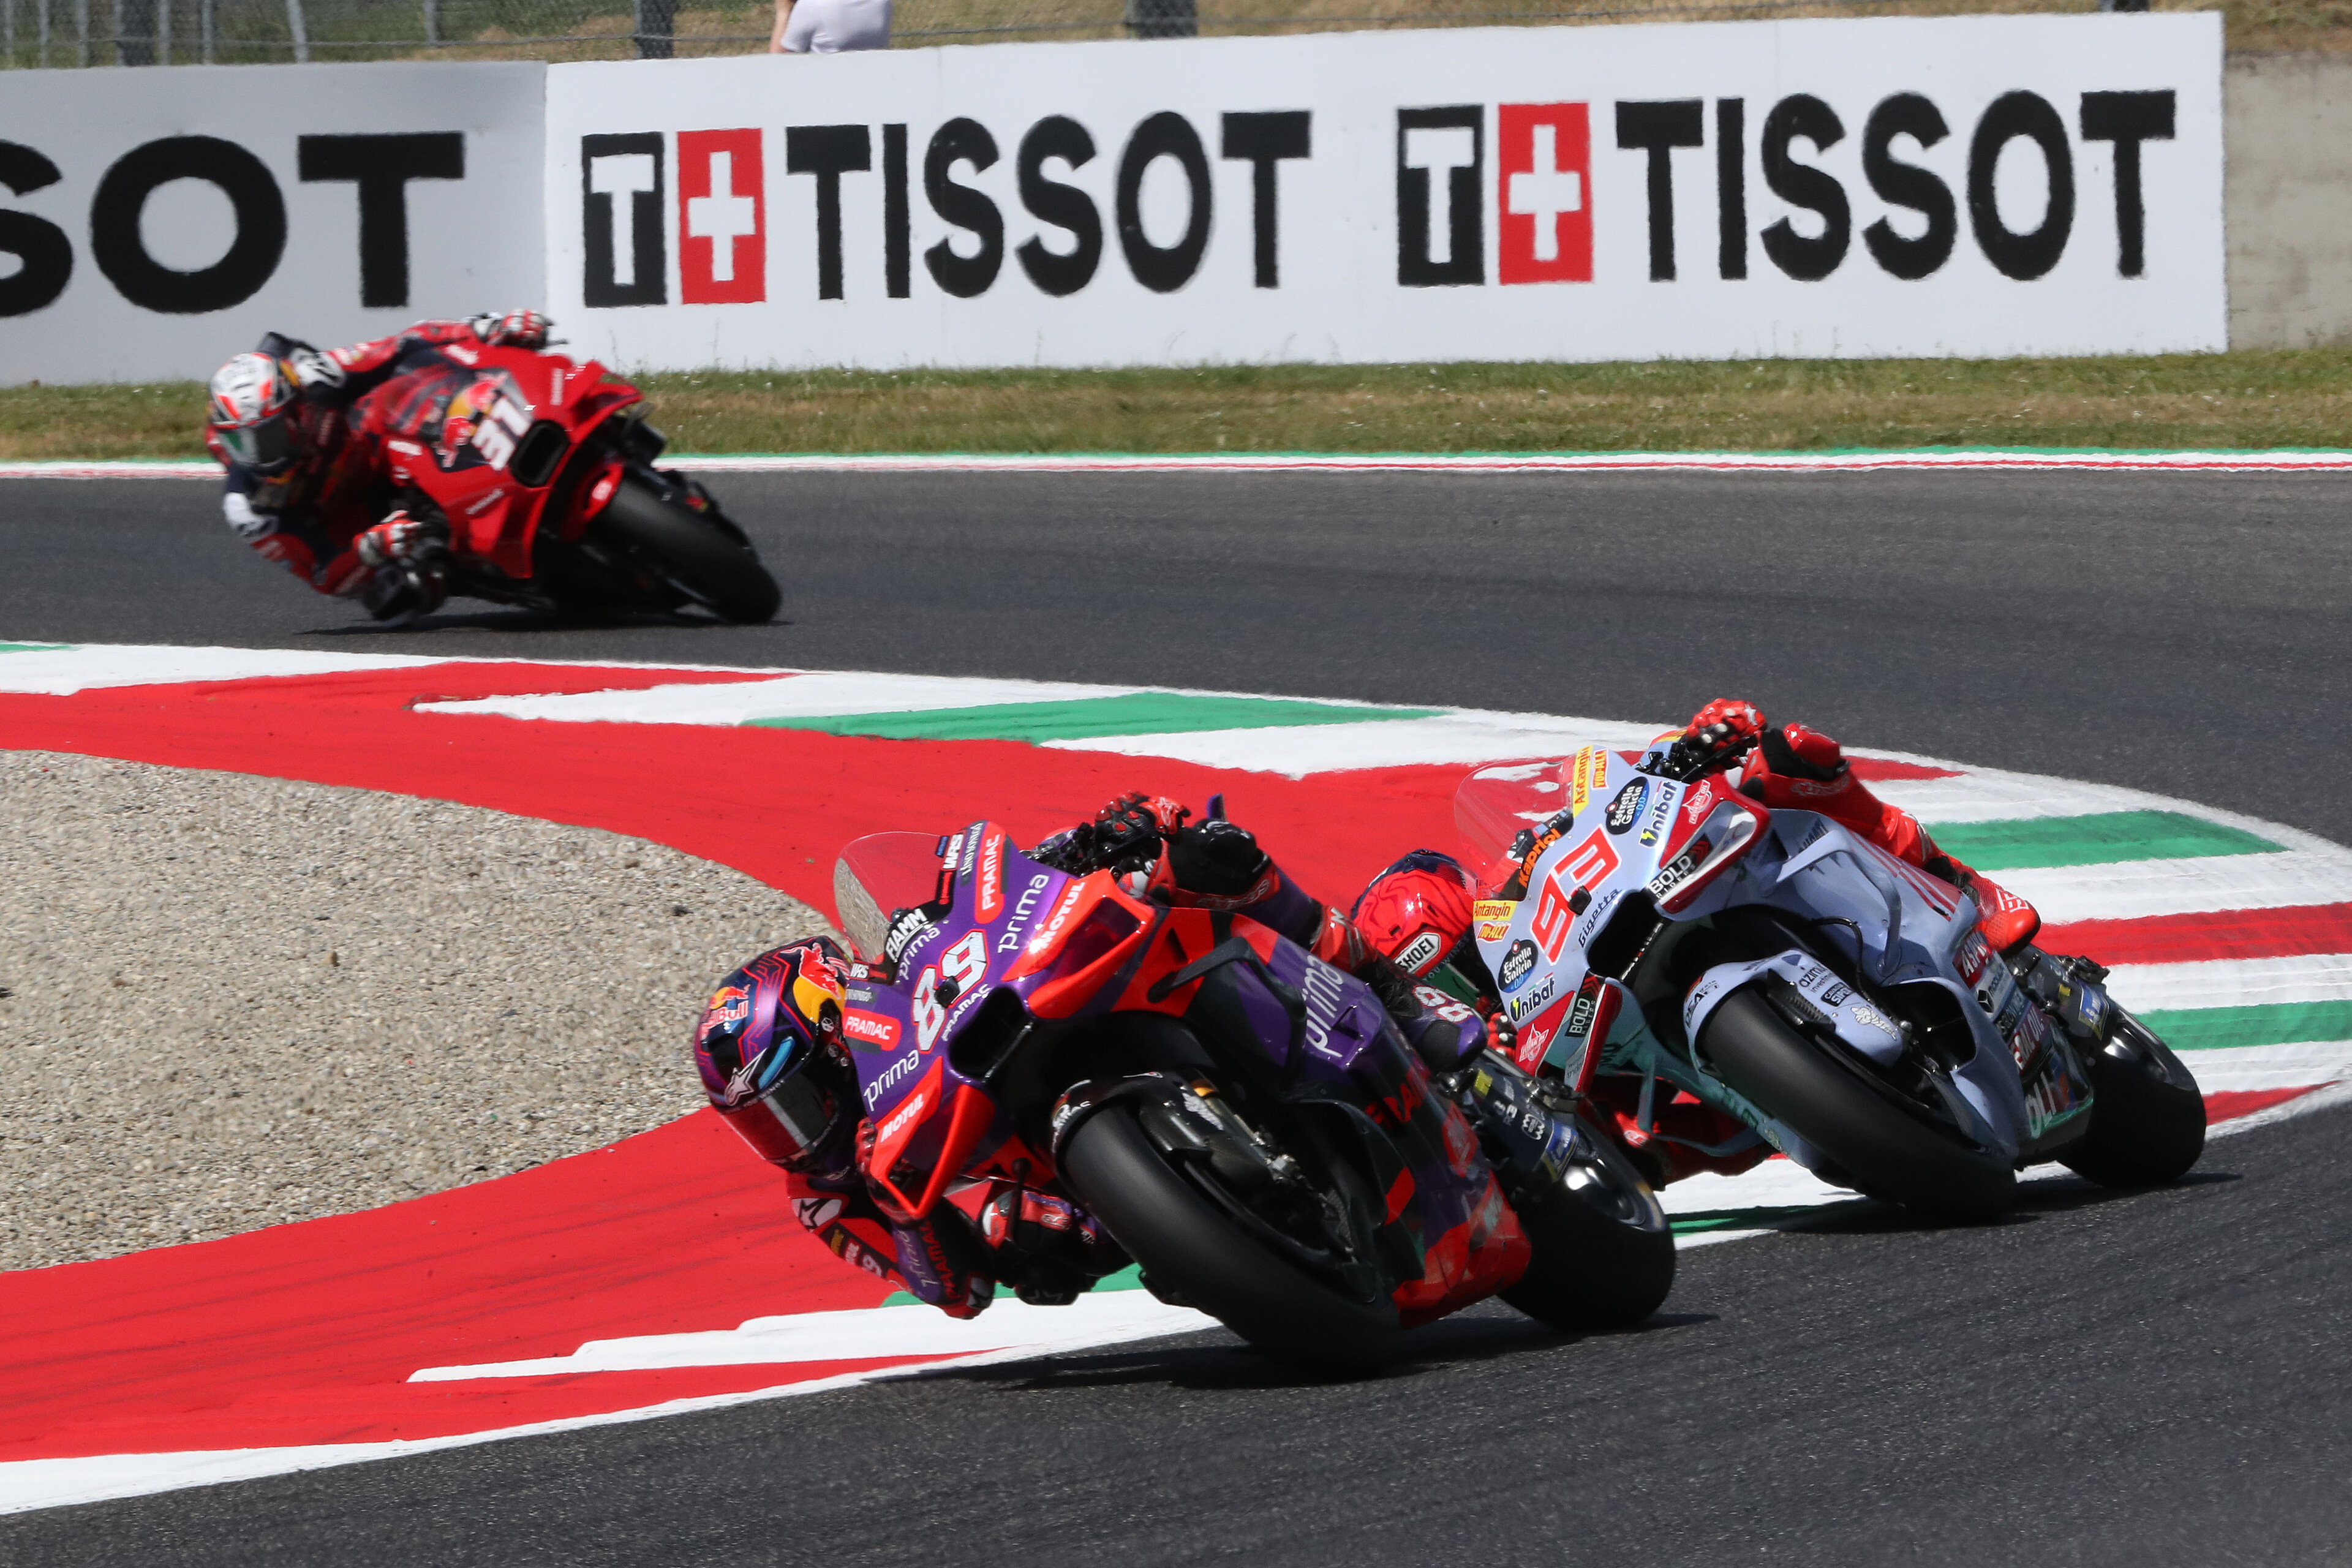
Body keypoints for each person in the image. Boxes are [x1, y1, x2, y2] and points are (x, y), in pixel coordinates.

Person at [693, 793, 1487, 1320]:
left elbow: (987, 910)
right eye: (764, 1125)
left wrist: (1086, 844)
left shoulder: (897, 986)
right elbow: (955, 1291)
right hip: (1067, 1192)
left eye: (796, 1103)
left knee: (1200, 853)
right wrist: (925, 1214)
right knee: (1033, 1236)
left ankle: (1389, 990)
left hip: (1055, 1019)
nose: (793, 1137)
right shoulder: (822, 1194)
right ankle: (1240, 1225)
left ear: (838, 1031)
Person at [1344, 698, 2047, 1186]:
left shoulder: (1521, 878)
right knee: (1616, 1135)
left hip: (1666, 902)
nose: (1470, 981)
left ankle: (1966, 889)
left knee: (1787, 763)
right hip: (1709, 1088)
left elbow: (1605, 798)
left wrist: (1691, 748)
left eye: (1462, 955)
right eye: (1452, 979)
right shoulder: (1489, 1044)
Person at [202, 311, 552, 622]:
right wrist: (368, 549)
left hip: (377, 452)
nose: (260, 456)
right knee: (396, 594)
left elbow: (402, 343)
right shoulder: (248, 508)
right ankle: (498, 572)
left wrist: (483, 328)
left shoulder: (316, 376)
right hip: (358, 525)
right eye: (241, 444)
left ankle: (493, 449)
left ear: (298, 409)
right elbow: (323, 575)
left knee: (402, 386)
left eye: (270, 436)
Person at [770, 0, 889, 54]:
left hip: (821, 87)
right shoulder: (883, 3)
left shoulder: (813, 6)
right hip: (868, 84)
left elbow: (779, 59)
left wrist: (783, 11)